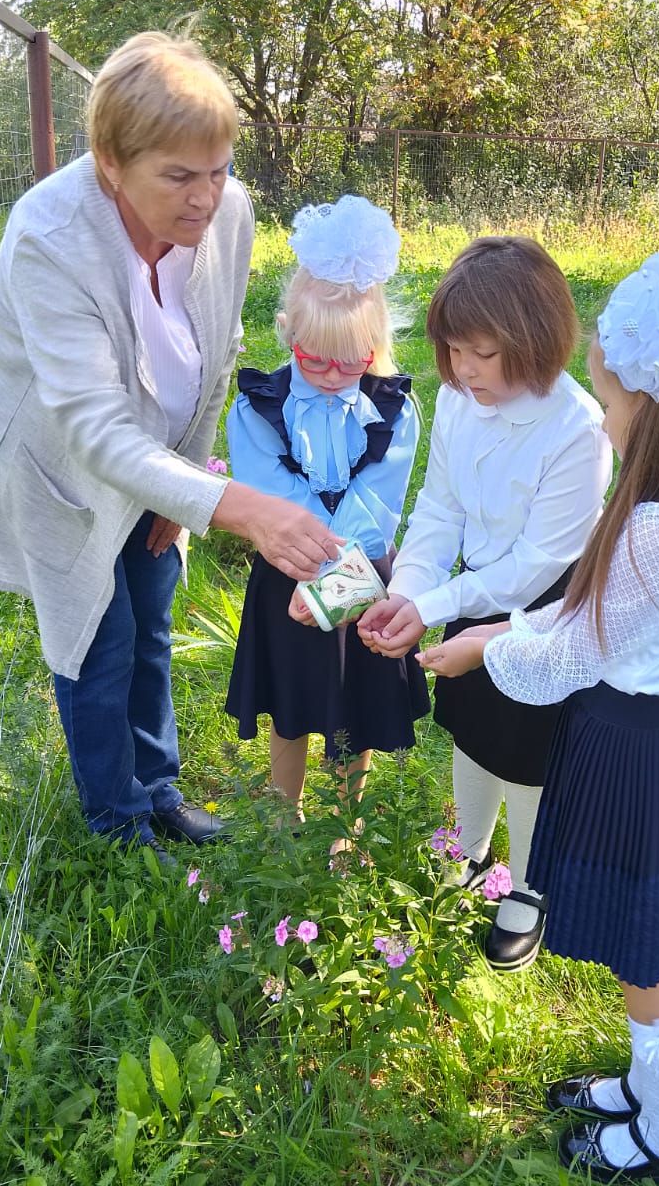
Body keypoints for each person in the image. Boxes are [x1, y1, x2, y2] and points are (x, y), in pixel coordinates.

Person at [421, 253, 659, 1181]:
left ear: (657, 408)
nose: (610, 425)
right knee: (645, 943)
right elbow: (592, 609)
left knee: (643, 953)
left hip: (636, 748)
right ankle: (641, 1084)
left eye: (616, 409)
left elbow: (568, 659)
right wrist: (508, 622)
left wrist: (481, 646)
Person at [0, 32, 342, 863]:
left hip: (158, 452)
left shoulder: (228, 213)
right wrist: (237, 507)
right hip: (58, 454)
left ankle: (159, 790)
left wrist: (192, 477)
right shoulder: (49, 237)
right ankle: (118, 825)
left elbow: (212, 353)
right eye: (179, 175)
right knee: (97, 633)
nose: (206, 197)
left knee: (150, 619)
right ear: (111, 161)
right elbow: (92, 427)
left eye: (217, 169)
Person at [359, 237, 610, 970]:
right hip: (473, 587)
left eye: (483, 352)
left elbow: (538, 564)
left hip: (543, 605)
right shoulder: (459, 400)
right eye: (453, 350)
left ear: (535, 340)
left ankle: (528, 883)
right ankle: (467, 852)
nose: (464, 368)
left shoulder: (578, 431)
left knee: (529, 750)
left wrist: (437, 600)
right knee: (470, 722)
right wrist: (408, 592)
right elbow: (439, 507)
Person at [223, 196, 429, 843]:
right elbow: (272, 496)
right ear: (289, 332)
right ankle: (285, 814)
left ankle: (346, 825)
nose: (335, 376)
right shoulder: (259, 408)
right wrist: (312, 567)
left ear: (375, 350)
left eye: (353, 362)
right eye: (317, 360)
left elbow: (378, 500)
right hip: (286, 574)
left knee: (354, 707)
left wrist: (339, 583)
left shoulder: (394, 410)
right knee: (291, 705)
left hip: (362, 575)